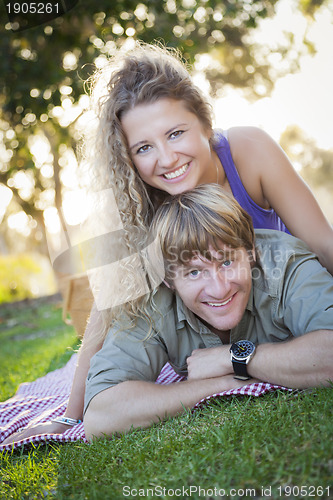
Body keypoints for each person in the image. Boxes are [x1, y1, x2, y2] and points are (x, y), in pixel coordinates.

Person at [3, 41, 333, 444]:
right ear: (129, 158)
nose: (166, 159)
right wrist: (73, 416)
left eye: (175, 133)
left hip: (282, 309)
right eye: (144, 148)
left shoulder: (249, 151)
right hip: (210, 329)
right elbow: (105, 314)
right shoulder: (138, 205)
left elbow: (323, 245)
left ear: (206, 125)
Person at [83, 184, 333, 438]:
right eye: (194, 272)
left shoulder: (286, 261)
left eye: (226, 261)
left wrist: (231, 359)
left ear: (250, 253)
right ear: (168, 279)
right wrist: (224, 383)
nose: (219, 289)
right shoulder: (150, 299)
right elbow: (100, 415)